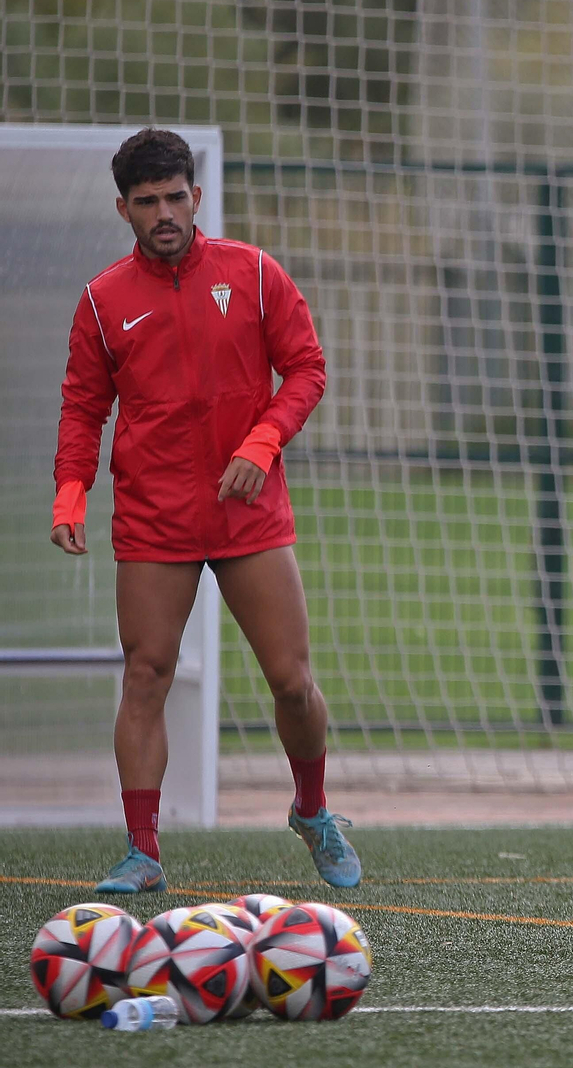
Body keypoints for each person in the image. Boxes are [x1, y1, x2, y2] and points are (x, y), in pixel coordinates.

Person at [52, 128, 360, 893]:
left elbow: (308, 369)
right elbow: (82, 408)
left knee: (291, 681)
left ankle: (313, 810)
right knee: (145, 674)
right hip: (154, 517)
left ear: (198, 196)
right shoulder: (100, 300)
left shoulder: (255, 275)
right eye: (147, 201)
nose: (165, 213)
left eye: (176, 197)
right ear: (123, 208)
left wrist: (261, 443)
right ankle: (144, 849)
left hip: (247, 512)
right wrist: (70, 489)